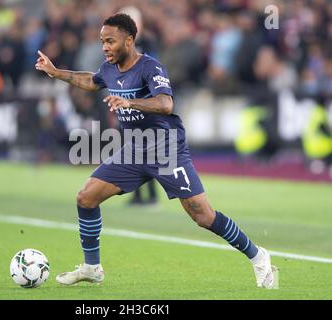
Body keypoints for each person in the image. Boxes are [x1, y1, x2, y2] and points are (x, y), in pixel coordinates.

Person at [35, 13, 276, 289]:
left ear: (129, 40)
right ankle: (92, 267)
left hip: (165, 148)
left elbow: (165, 104)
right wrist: (56, 73)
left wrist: (130, 104)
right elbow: (91, 81)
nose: (105, 47)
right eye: (102, 42)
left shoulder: (151, 67)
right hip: (135, 150)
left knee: (203, 216)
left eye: (110, 41)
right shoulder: (109, 68)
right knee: (86, 198)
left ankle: (258, 256)